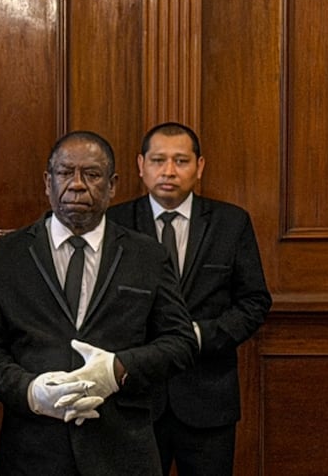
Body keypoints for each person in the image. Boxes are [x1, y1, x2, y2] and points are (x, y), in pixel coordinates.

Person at [0, 131, 197, 475]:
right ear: (47, 182)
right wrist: (30, 391)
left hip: (122, 453)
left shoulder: (146, 255)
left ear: (113, 184)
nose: (76, 184)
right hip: (33, 453)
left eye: (91, 174)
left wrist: (116, 370)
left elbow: (181, 343)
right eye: (64, 173)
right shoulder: (4, 258)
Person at [106, 122, 271, 476]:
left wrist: (198, 337)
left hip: (208, 397)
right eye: (158, 160)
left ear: (200, 166)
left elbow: (254, 301)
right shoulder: (114, 224)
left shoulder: (232, 223)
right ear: (140, 165)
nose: (168, 171)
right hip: (135, 396)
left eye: (181, 161)